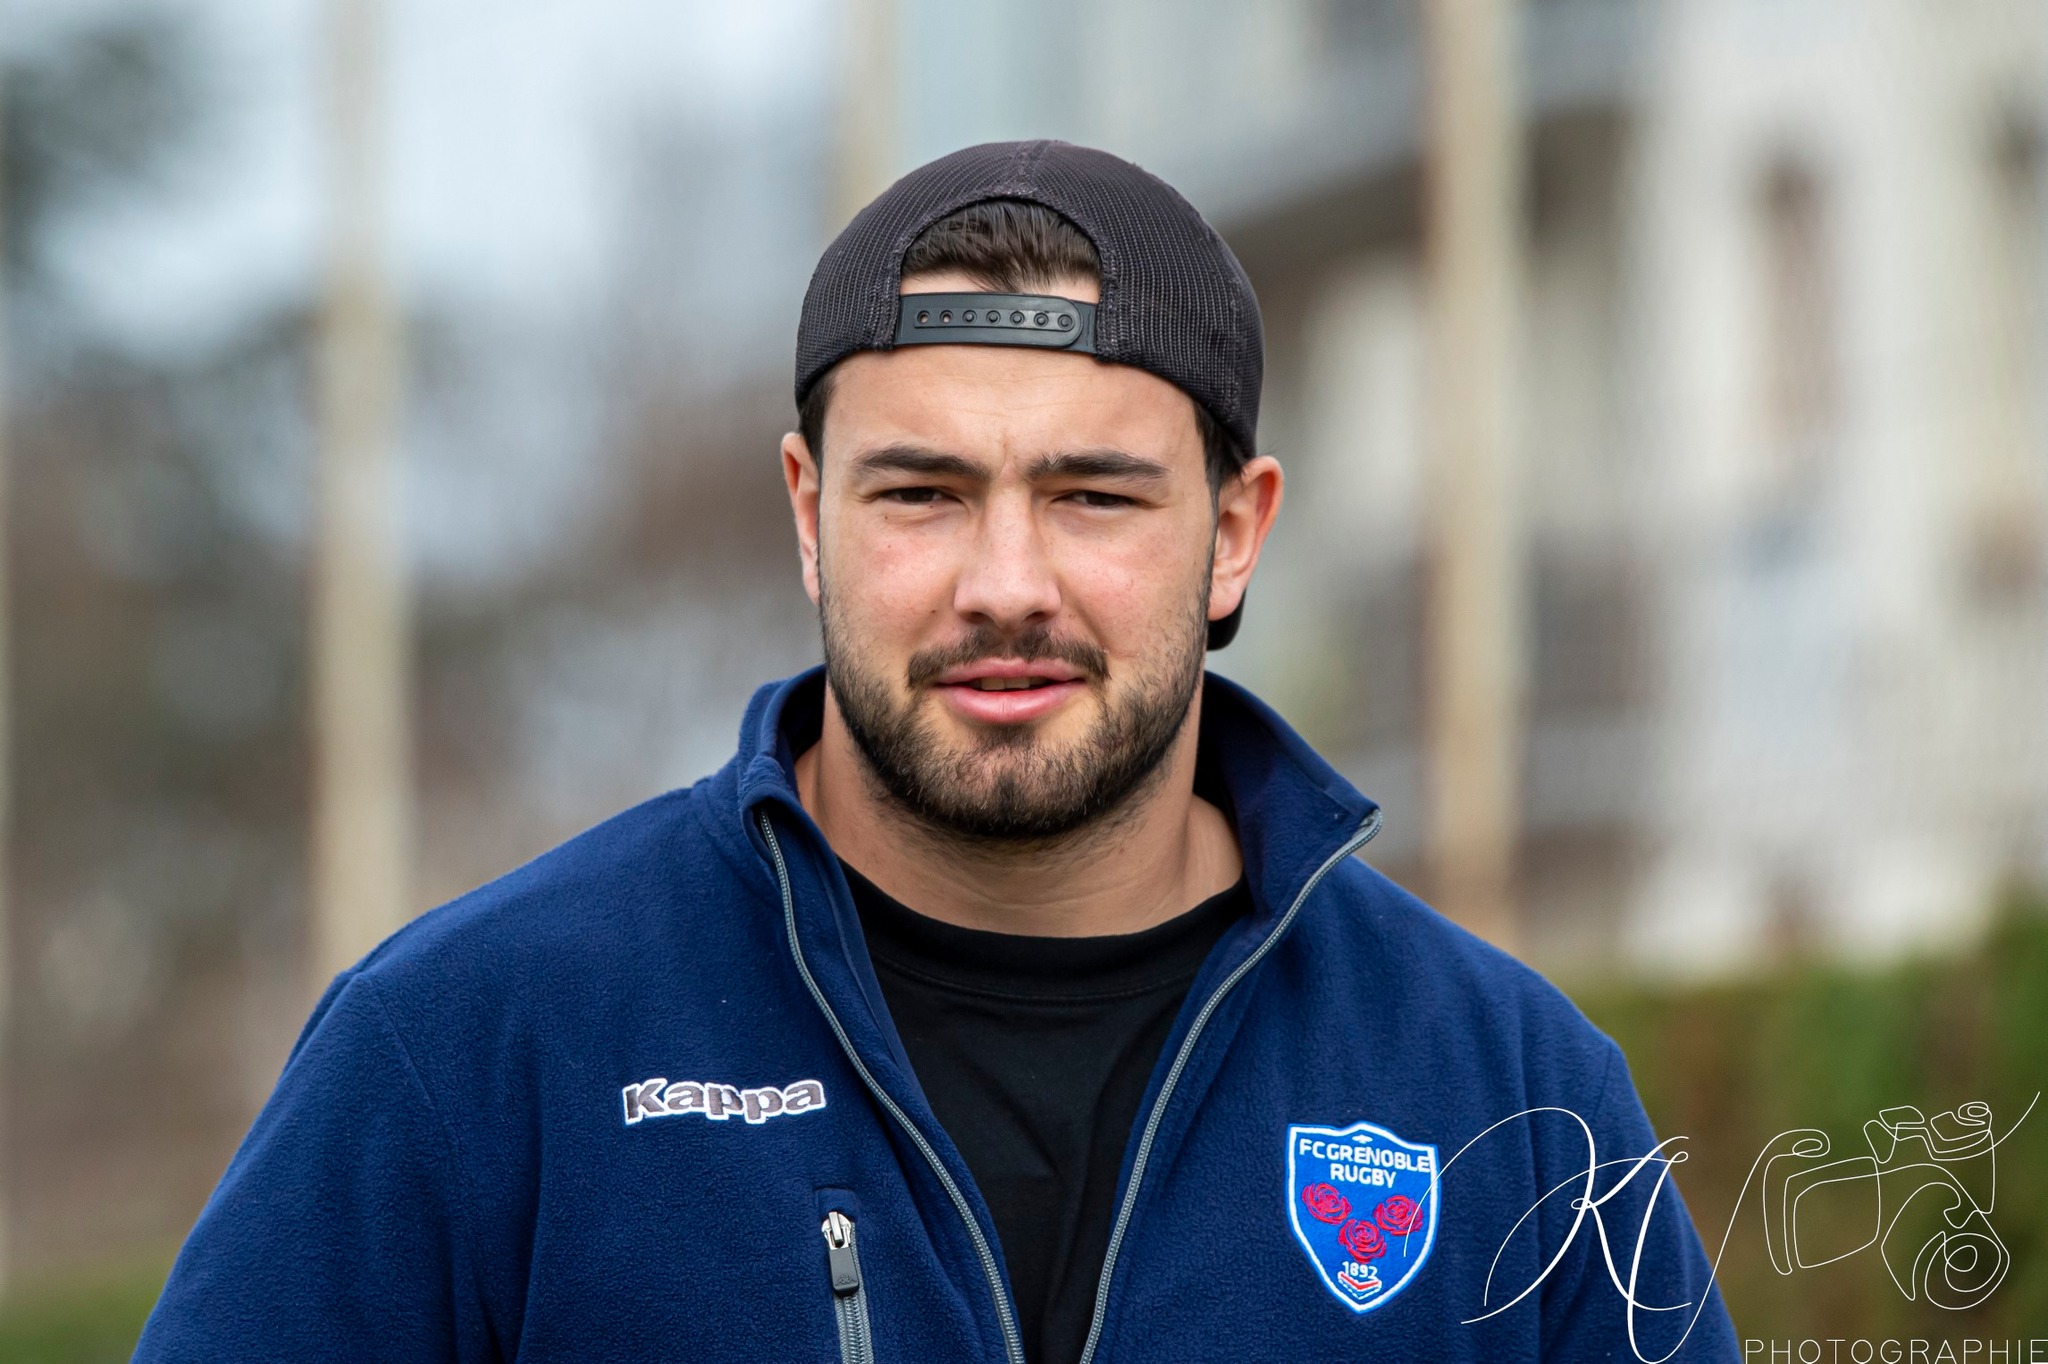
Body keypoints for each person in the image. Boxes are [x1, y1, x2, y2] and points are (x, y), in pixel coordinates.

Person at [136, 140, 1737, 1363]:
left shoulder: (1513, 1098)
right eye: (922, 492)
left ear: (1236, 536)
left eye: (1095, 496)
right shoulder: (475, 1055)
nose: (1006, 585)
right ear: (808, 514)